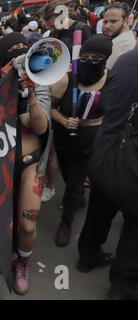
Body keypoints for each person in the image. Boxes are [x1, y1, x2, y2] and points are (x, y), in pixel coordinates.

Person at [78, 49, 138, 300]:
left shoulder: (126, 60)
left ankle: (87, 256)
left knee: (100, 208)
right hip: (130, 162)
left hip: (104, 150)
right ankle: (122, 287)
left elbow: (105, 103)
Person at [0, 33, 52, 295]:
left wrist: (29, 94)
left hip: (31, 163)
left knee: (28, 224)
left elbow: (39, 126)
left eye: (23, 49)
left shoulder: (39, 82)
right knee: (4, 224)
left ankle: (24, 262)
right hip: (1, 165)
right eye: (13, 50)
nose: (19, 52)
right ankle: (8, 253)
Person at [51, 35, 113, 247]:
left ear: (105, 59)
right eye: (85, 55)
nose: (89, 60)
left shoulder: (112, 81)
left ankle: (66, 222)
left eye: (96, 57)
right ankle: (77, 198)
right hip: (64, 139)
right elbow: (50, 108)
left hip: (89, 143)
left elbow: (113, 113)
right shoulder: (67, 78)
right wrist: (64, 120)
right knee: (68, 176)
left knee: (75, 185)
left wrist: (94, 124)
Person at [102, 3, 136, 70]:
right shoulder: (123, 38)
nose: (107, 26)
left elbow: (103, 74)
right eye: (105, 22)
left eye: (113, 21)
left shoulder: (120, 44)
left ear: (125, 21)